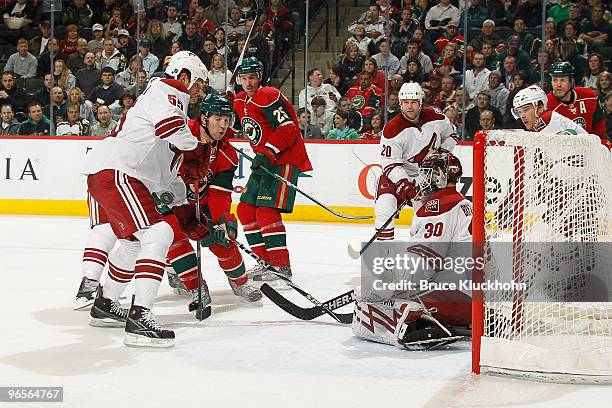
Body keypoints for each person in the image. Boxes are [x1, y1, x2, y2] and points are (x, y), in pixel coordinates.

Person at [82, 51, 209, 347]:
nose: (200, 91)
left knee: (132, 242)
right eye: (199, 84)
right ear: (185, 77)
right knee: (159, 232)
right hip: (119, 173)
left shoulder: (172, 107)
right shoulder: (167, 90)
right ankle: (140, 316)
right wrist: (194, 144)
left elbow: (168, 180)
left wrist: (188, 215)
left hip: (112, 174)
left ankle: (105, 304)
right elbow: (170, 129)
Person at [354, 152, 471, 349]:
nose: (422, 180)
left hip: (451, 301)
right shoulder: (464, 203)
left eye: (427, 174)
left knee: (370, 294)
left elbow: (425, 261)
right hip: (474, 302)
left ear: (440, 176)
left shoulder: (437, 206)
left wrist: (392, 286)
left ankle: (421, 324)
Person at [161, 94, 263, 315]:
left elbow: (219, 195)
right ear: (204, 117)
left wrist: (223, 221)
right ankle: (195, 286)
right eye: (218, 118)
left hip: (201, 202)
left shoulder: (226, 153)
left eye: (227, 119)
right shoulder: (179, 134)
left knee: (222, 241)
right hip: (167, 199)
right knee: (173, 238)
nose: (224, 125)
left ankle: (240, 282)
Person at [233, 57, 313, 285]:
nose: (248, 83)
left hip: (283, 159)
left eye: (252, 78)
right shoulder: (241, 100)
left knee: (266, 211)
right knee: (246, 210)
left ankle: (281, 265)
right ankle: (265, 262)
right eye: (244, 78)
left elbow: (288, 129)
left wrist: (268, 152)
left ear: (260, 78)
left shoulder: (267, 95)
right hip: (264, 161)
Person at [373, 83, 457, 241]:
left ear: (421, 102)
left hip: (427, 176)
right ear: (400, 103)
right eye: (405, 102)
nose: (409, 107)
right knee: (385, 209)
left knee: (425, 219)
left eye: (413, 102)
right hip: (399, 175)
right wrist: (403, 183)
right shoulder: (392, 128)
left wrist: (440, 155)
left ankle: (421, 251)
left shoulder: (436, 117)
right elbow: (390, 163)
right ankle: (385, 259)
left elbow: (451, 136)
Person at [547, 61, 608, 138]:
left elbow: (599, 126)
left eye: (562, 80)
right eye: (555, 80)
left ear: (570, 81)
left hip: (589, 146)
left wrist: (603, 143)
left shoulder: (589, 97)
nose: (558, 85)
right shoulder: (546, 105)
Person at [513, 85, 587, 134]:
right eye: (519, 112)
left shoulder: (546, 118)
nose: (522, 116)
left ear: (540, 108)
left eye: (526, 109)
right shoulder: (548, 117)